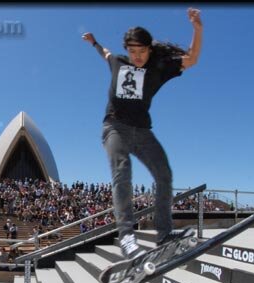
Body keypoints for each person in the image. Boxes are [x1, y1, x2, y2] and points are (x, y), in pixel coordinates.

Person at [81, 8, 203, 259]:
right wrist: (94, 42)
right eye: (132, 52)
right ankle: (126, 236)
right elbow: (104, 53)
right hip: (114, 127)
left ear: (150, 49)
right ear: (127, 50)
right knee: (122, 173)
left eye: (142, 51)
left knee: (164, 174)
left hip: (143, 131)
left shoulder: (159, 67)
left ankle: (164, 234)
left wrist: (197, 29)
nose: (137, 57)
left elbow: (191, 60)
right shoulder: (117, 61)